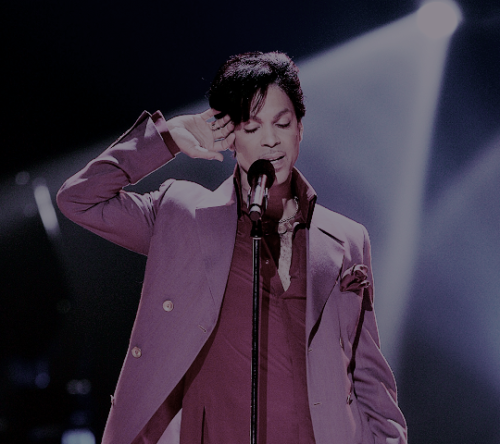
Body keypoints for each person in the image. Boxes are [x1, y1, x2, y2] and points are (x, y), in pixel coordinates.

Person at [57, 51, 407, 444]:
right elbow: (80, 200)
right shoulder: (182, 215)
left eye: (283, 123)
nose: (271, 140)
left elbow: (369, 372)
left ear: (300, 129)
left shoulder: (346, 238)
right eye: (252, 127)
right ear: (229, 136)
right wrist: (166, 139)